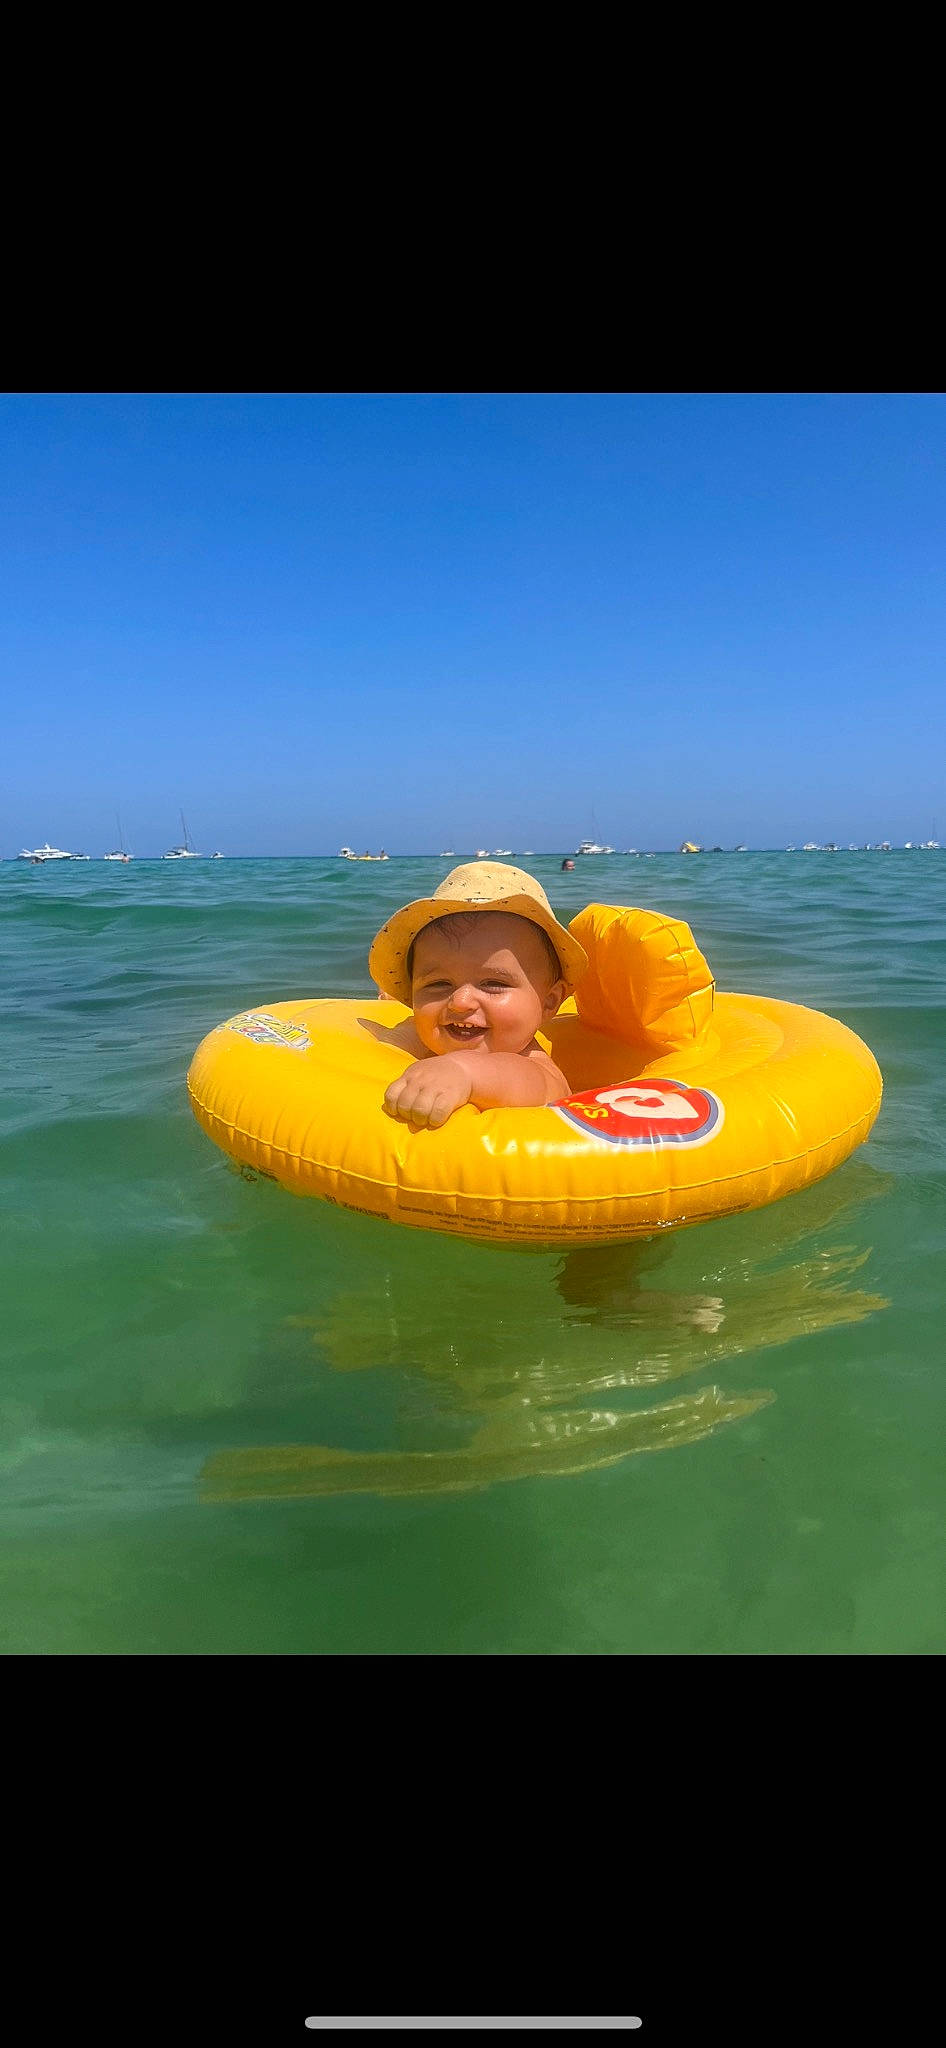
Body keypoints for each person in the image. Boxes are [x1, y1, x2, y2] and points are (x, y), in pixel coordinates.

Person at [369, 862, 588, 1130]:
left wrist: (464, 1071)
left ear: (549, 1001)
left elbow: (533, 1085)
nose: (460, 1002)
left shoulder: (537, 1069)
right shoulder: (427, 1032)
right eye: (438, 984)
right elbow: (382, 1050)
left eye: (493, 983)